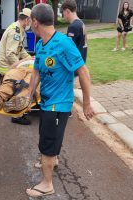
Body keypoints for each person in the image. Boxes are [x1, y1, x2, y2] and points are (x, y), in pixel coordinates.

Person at [26, 4, 95, 197]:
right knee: (47, 138)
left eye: (31, 21)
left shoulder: (64, 44)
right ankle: (53, 158)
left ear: (35, 22)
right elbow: (37, 71)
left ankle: (47, 184)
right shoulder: (40, 44)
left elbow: (83, 71)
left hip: (59, 104)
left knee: (47, 143)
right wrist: (29, 94)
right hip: (46, 102)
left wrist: (87, 103)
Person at [0, 8, 33, 125]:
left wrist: (30, 58)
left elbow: (20, 50)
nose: (30, 23)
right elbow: (10, 53)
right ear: (27, 20)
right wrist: (20, 67)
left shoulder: (19, 29)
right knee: (19, 85)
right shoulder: (15, 31)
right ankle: (16, 115)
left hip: (8, 63)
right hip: (6, 65)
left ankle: (7, 103)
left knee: (14, 86)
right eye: (30, 21)